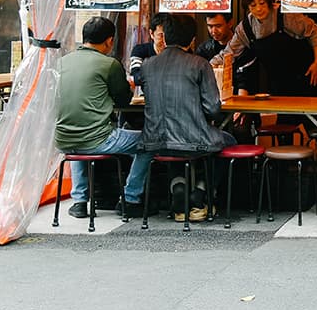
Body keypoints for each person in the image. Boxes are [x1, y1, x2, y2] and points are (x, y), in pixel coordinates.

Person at [54, 16, 153, 219]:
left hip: (63, 139)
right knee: (149, 142)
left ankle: (80, 201)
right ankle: (130, 197)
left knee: (80, 135)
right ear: (109, 41)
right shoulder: (109, 64)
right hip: (98, 139)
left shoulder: (62, 62)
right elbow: (124, 100)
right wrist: (129, 87)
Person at [140, 15, 237, 221]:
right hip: (195, 140)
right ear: (192, 40)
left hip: (155, 141)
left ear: (164, 38)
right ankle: (201, 193)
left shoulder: (147, 65)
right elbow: (213, 109)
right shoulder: (199, 64)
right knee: (229, 141)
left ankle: (178, 186)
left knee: (174, 145)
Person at [218, 0, 317, 96]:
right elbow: (229, 53)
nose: (258, 9)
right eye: (253, 5)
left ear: (269, 2)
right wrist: (207, 66)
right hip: (278, 85)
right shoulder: (245, 28)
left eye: (262, 3)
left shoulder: (285, 16)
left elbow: (314, 32)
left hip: (307, 78)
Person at [129, 12, 171, 86]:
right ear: (151, 33)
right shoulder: (140, 51)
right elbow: (136, 76)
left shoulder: (177, 53)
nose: (165, 41)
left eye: (168, 35)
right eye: (160, 36)